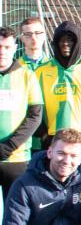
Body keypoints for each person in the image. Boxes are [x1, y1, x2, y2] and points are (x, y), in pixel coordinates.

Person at [34, 21, 81, 177]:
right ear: (55, 42)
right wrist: (44, 135)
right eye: (61, 39)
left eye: (70, 39)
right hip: (52, 145)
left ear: (78, 42)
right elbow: (33, 108)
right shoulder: (41, 71)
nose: (66, 43)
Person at [0, 26, 42, 195]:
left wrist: (8, 146)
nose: (2, 52)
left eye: (7, 47)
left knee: (16, 215)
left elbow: (35, 116)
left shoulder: (27, 76)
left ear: (15, 48)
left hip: (16, 158)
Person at [18, 17, 49, 157]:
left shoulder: (56, 67)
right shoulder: (15, 68)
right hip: (22, 140)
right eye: (28, 34)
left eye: (38, 33)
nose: (33, 38)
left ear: (45, 35)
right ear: (21, 38)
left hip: (50, 138)